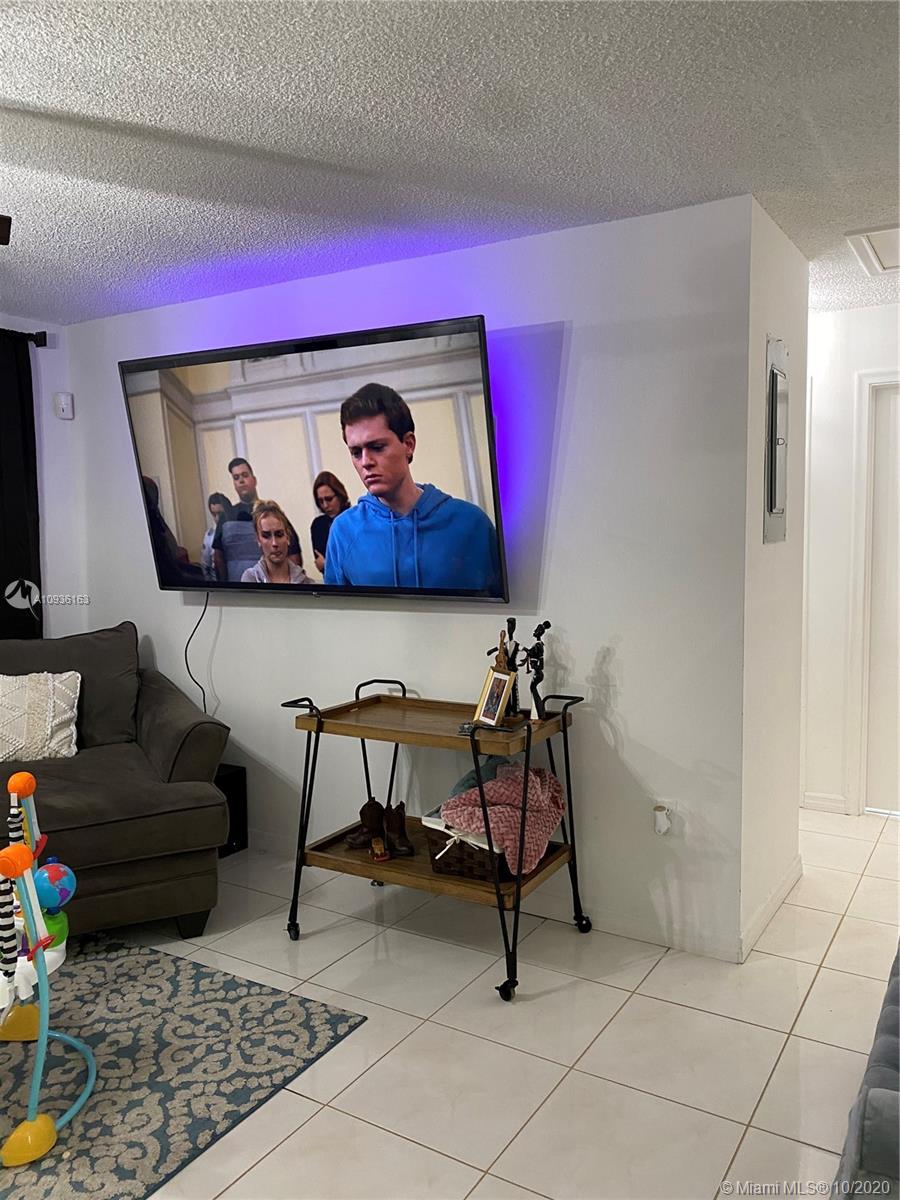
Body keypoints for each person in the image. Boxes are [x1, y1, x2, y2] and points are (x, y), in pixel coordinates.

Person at [324, 383, 501, 592]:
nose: (365, 462)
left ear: (408, 444)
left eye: (377, 447)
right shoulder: (343, 532)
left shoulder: (471, 523)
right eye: (356, 452)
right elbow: (336, 610)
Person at [213, 457, 303, 581]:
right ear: (234, 484)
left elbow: (294, 553)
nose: (241, 481)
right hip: (235, 589)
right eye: (236, 478)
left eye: (245, 475)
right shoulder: (226, 517)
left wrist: (293, 584)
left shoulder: (271, 514)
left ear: (254, 480)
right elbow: (218, 557)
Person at [241, 501, 313, 585]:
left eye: (279, 534)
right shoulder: (250, 579)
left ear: (287, 537)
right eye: (266, 536)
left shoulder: (307, 583)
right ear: (258, 539)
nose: (274, 543)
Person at [310, 470, 351, 575]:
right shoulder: (318, 525)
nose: (325, 505)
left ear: (340, 496)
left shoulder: (353, 519)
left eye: (329, 499)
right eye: (320, 501)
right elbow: (320, 562)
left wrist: (328, 565)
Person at [200, 492, 234, 580]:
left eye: (220, 514)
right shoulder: (209, 537)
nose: (217, 518)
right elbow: (205, 566)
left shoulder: (237, 532)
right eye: (214, 514)